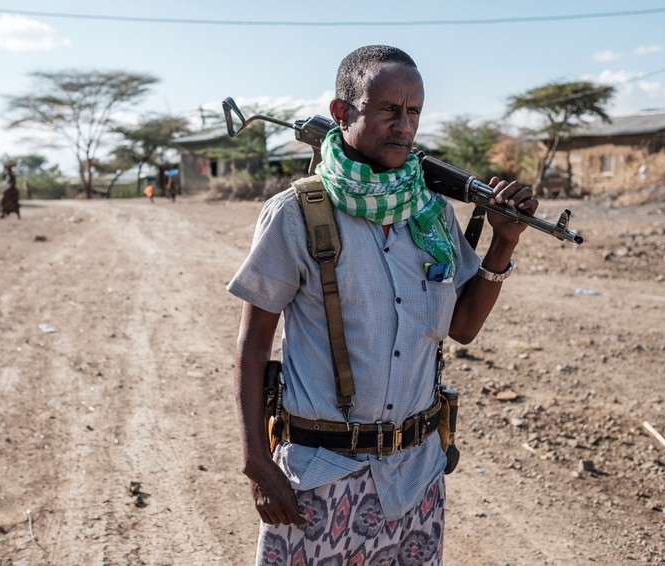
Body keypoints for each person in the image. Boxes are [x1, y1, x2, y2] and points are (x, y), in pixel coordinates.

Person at [227, 45, 538, 565]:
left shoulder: (432, 212)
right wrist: (257, 461)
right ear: (342, 113)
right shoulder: (296, 214)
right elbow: (252, 345)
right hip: (322, 476)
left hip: (415, 476)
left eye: (413, 111)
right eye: (389, 110)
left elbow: (461, 328)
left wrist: (503, 244)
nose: (404, 125)